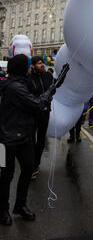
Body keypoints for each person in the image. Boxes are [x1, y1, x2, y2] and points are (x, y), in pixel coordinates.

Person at [0, 54, 56, 226]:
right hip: (5, 141)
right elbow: (37, 104)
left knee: (28, 169)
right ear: (20, 68)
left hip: (24, 137)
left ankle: (20, 205)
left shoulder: (22, 84)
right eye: (28, 65)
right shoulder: (15, 87)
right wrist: (50, 92)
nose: (29, 68)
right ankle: (3, 210)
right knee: (5, 176)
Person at [28, 56, 54, 179]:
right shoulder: (28, 79)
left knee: (41, 140)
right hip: (32, 113)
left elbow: (53, 89)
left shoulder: (48, 76)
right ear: (33, 66)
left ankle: (36, 164)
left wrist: (63, 76)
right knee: (31, 140)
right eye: (39, 63)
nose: (42, 65)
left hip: (45, 113)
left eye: (42, 63)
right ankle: (30, 165)